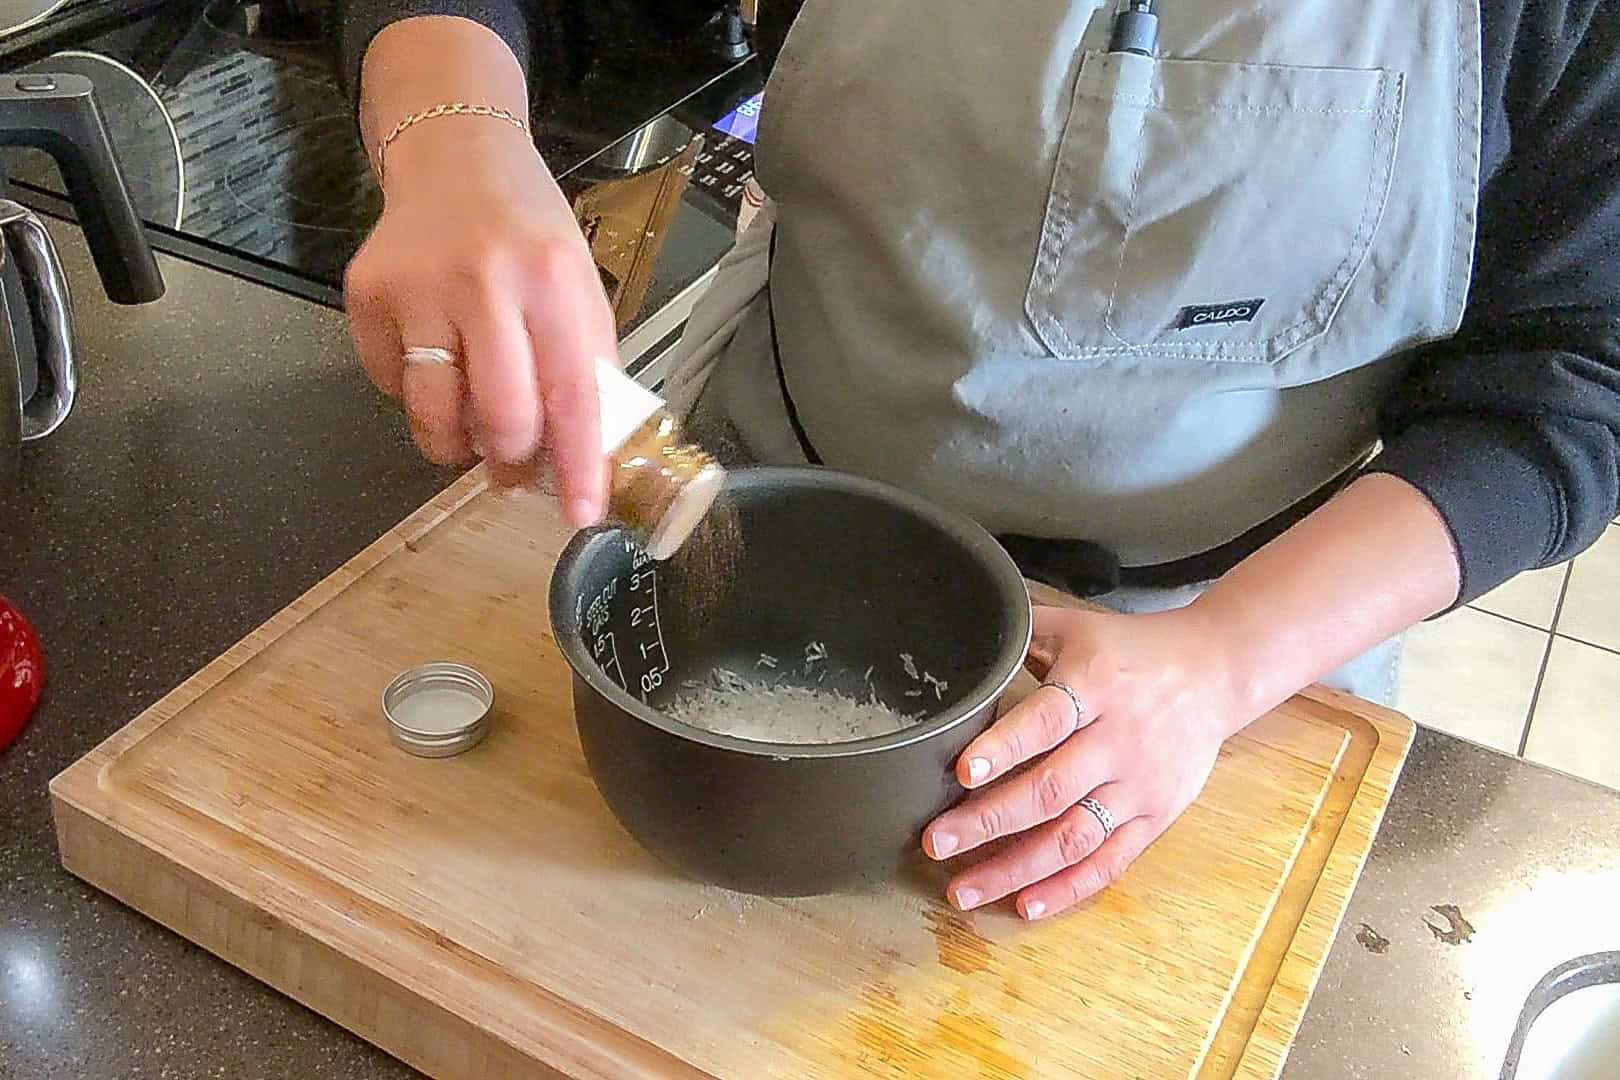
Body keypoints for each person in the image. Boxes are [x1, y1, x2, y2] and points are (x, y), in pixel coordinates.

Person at [339, 1, 1620, 921]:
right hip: (770, 483)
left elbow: (1573, 373)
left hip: (1212, 648)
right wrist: (454, 139)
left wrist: (1227, 658)